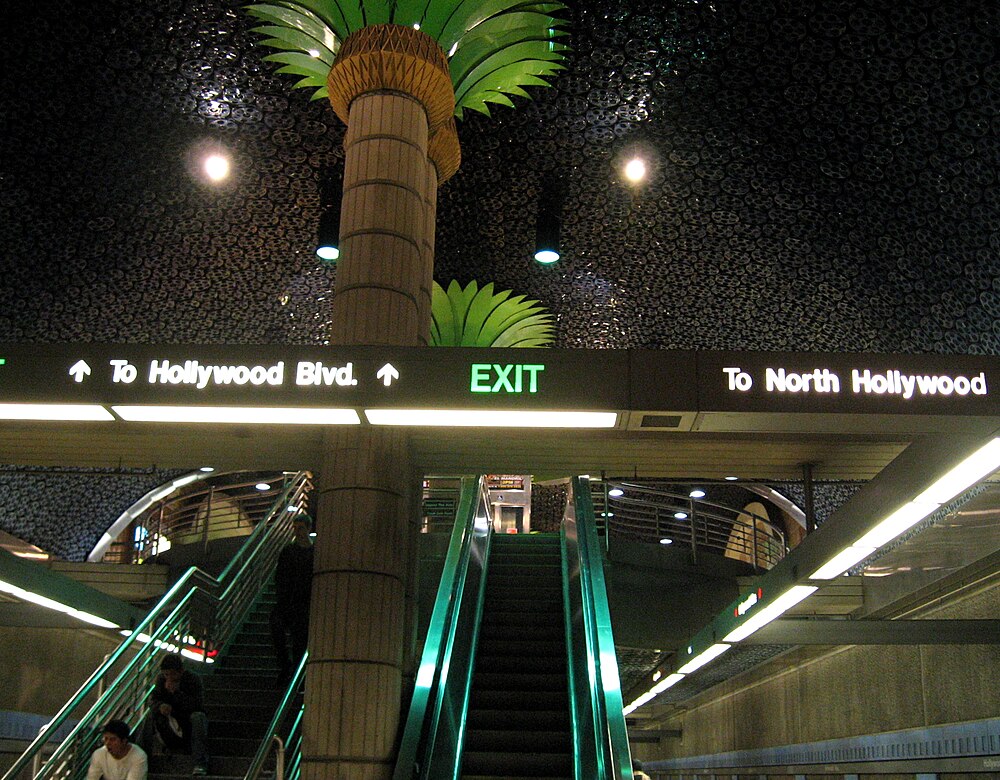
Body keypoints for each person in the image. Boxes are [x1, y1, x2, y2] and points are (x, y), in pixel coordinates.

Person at [143, 653, 209, 776]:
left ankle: (200, 762)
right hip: (169, 725)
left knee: (198, 717)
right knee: (148, 716)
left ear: (181, 672)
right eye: (166, 674)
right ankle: (143, 756)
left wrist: (176, 693)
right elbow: (153, 701)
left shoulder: (193, 680)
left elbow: (197, 705)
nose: (169, 678)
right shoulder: (161, 680)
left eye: (173, 674)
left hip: (187, 726)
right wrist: (160, 706)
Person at [270, 514, 314, 685]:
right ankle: (287, 668)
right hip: (288, 602)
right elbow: (279, 576)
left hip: (302, 604)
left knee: (299, 640)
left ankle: (293, 673)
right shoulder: (288, 551)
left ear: (309, 528)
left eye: (300, 528)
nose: (297, 532)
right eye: (295, 528)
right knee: (277, 628)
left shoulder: (312, 553)